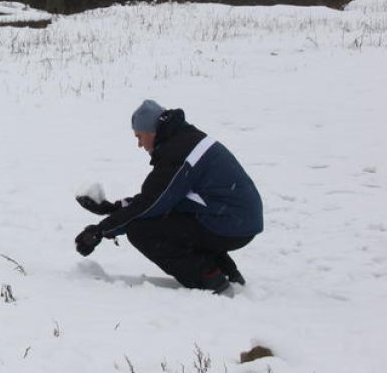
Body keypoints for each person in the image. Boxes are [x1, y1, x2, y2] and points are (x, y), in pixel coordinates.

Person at [74, 99, 263, 294]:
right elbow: (161, 199)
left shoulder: (178, 153)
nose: (139, 144)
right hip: (235, 218)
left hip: (232, 223)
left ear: (152, 132)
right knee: (170, 221)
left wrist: (100, 231)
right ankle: (227, 273)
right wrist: (111, 209)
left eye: (139, 136)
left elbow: (150, 203)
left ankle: (209, 279)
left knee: (141, 230)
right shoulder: (183, 139)